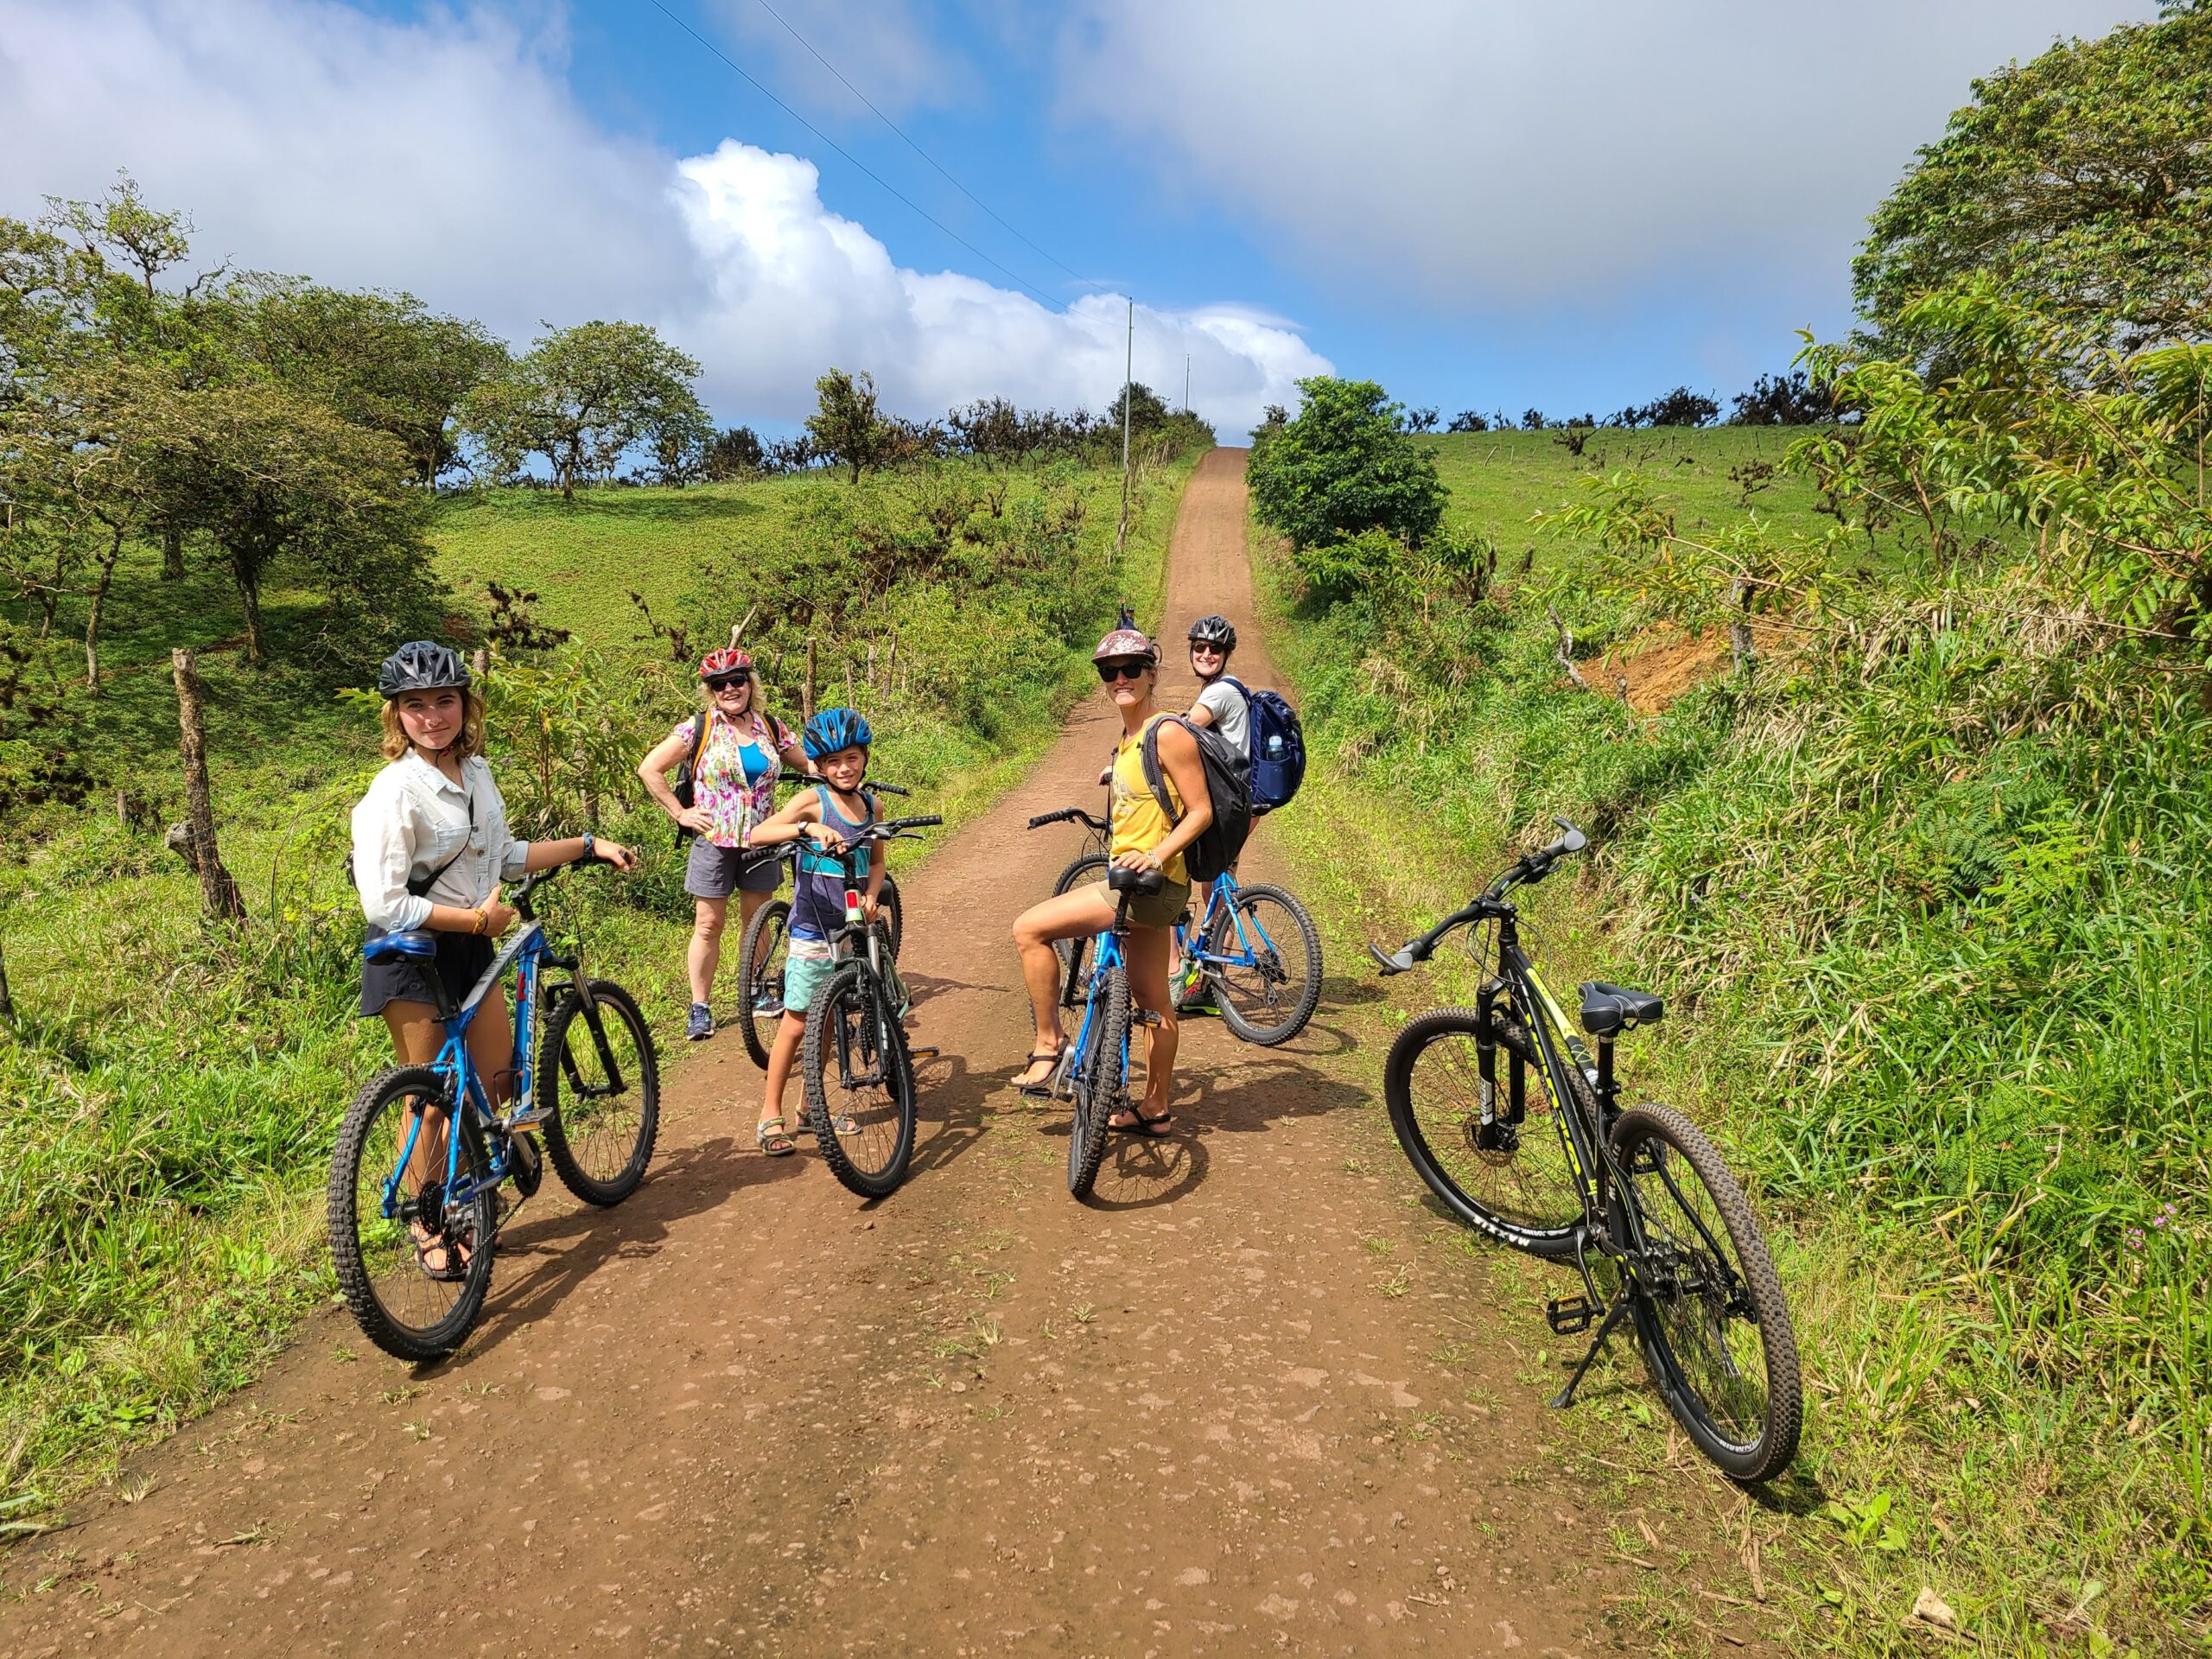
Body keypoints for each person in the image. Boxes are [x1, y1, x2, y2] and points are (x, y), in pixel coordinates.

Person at [351, 640, 636, 1278]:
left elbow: (504, 856)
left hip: (474, 944)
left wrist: (587, 845)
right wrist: (477, 918)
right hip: (414, 952)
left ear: (465, 704)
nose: (433, 716)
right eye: (415, 705)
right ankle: (428, 1225)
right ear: (396, 715)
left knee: (497, 1080)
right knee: (427, 1096)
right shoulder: (393, 791)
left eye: (444, 700)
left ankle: (473, 1191)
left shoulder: (476, 773)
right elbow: (385, 902)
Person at [1010, 626, 1214, 1134]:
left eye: (1131, 669)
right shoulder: (1130, 739)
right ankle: (1156, 1109)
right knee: (1154, 1001)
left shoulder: (1168, 731)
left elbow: (1201, 811)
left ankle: (1049, 1042)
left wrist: (1157, 852)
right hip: (1153, 889)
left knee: (1028, 930)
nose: (1120, 678)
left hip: (1145, 883)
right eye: (1109, 671)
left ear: (1151, 672)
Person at [637, 646, 811, 1042]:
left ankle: (753, 990)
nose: (730, 689)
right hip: (714, 840)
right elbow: (649, 768)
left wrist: (842, 773)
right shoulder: (698, 729)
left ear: (750, 684)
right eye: (720, 684)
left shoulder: (770, 726)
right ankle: (700, 1006)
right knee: (708, 924)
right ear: (711, 691)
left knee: (757, 919)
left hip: (763, 839)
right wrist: (680, 813)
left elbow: (806, 764)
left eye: (737, 681)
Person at [742, 708, 885, 1157]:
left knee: (833, 1014)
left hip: (851, 925)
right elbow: (759, 833)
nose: (844, 769)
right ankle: (770, 1112)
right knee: (798, 1018)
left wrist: (873, 894)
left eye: (852, 758)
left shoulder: (873, 806)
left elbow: (877, 861)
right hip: (812, 926)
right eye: (833, 762)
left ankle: (811, 1109)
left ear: (864, 757)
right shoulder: (812, 800)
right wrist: (808, 827)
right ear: (819, 767)